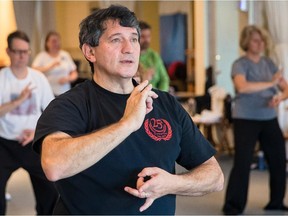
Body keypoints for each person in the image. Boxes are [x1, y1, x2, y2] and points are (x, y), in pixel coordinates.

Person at [32, 5, 224, 215]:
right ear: (90, 51)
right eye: (116, 40)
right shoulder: (70, 105)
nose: (129, 48)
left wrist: (172, 183)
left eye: (134, 39)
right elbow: (54, 165)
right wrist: (127, 124)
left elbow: (214, 176)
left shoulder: (166, 103)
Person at [222, 25, 288, 215]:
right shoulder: (240, 64)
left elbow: (286, 88)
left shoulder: (269, 63)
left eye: (261, 40)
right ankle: (233, 205)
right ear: (246, 42)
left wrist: (279, 97)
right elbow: (242, 87)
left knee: (277, 160)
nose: (260, 44)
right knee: (243, 162)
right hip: (245, 118)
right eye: (255, 40)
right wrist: (271, 84)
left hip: (269, 118)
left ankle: (276, 202)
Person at [0, 30, 58, 215]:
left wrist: (35, 132)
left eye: (26, 51)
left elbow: (50, 112)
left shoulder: (38, 78)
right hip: (5, 144)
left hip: (33, 142)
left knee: (50, 189)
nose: (22, 56)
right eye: (17, 51)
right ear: (8, 51)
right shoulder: (1, 79)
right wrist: (18, 101)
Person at [32, 31, 78, 96]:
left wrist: (68, 79)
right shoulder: (41, 56)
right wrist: (50, 66)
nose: (56, 43)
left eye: (57, 41)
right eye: (53, 41)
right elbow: (33, 70)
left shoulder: (65, 54)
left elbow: (74, 73)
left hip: (66, 92)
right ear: (47, 43)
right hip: (49, 93)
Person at [139, 21, 170, 91]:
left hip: (156, 95)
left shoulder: (154, 56)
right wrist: (144, 79)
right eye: (143, 36)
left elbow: (164, 79)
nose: (146, 40)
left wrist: (161, 96)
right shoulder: (131, 56)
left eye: (148, 36)